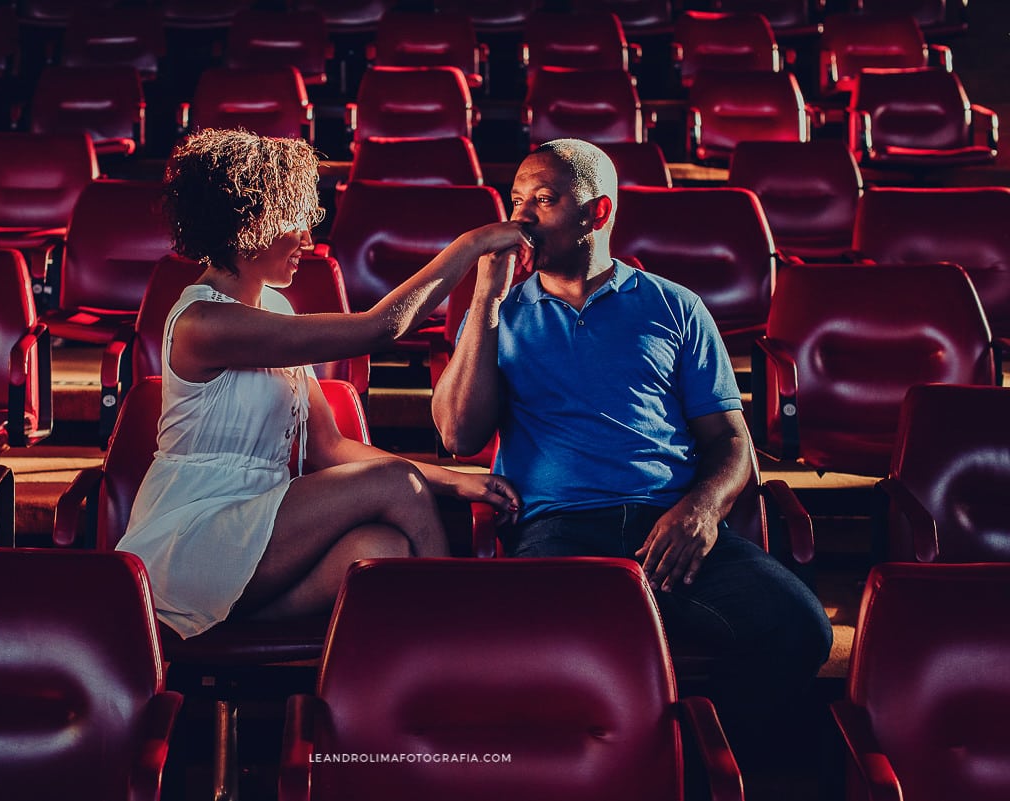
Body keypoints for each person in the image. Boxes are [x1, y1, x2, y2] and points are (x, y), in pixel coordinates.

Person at [431, 138, 832, 760]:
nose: (521, 218)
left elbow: (731, 442)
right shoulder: (498, 314)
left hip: (669, 523)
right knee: (529, 651)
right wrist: (483, 296)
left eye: (544, 199)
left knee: (799, 628)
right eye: (516, 201)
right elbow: (458, 435)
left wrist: (700, 513)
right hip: (558, 529)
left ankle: (700, 767)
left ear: (597, 212)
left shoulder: (676, 307)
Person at [117, 128, 531, 639]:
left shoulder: (274, 308)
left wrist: (451, 478)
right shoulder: (204, 321)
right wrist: (471, 245)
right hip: (194, 534)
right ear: (249, 223)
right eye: (293, 222)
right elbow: (379, 328)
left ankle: (213, 625)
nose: (308, 240)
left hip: (257, 537)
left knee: (384, 550)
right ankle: (464, 648)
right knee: (393, 485)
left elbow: (329, 447)